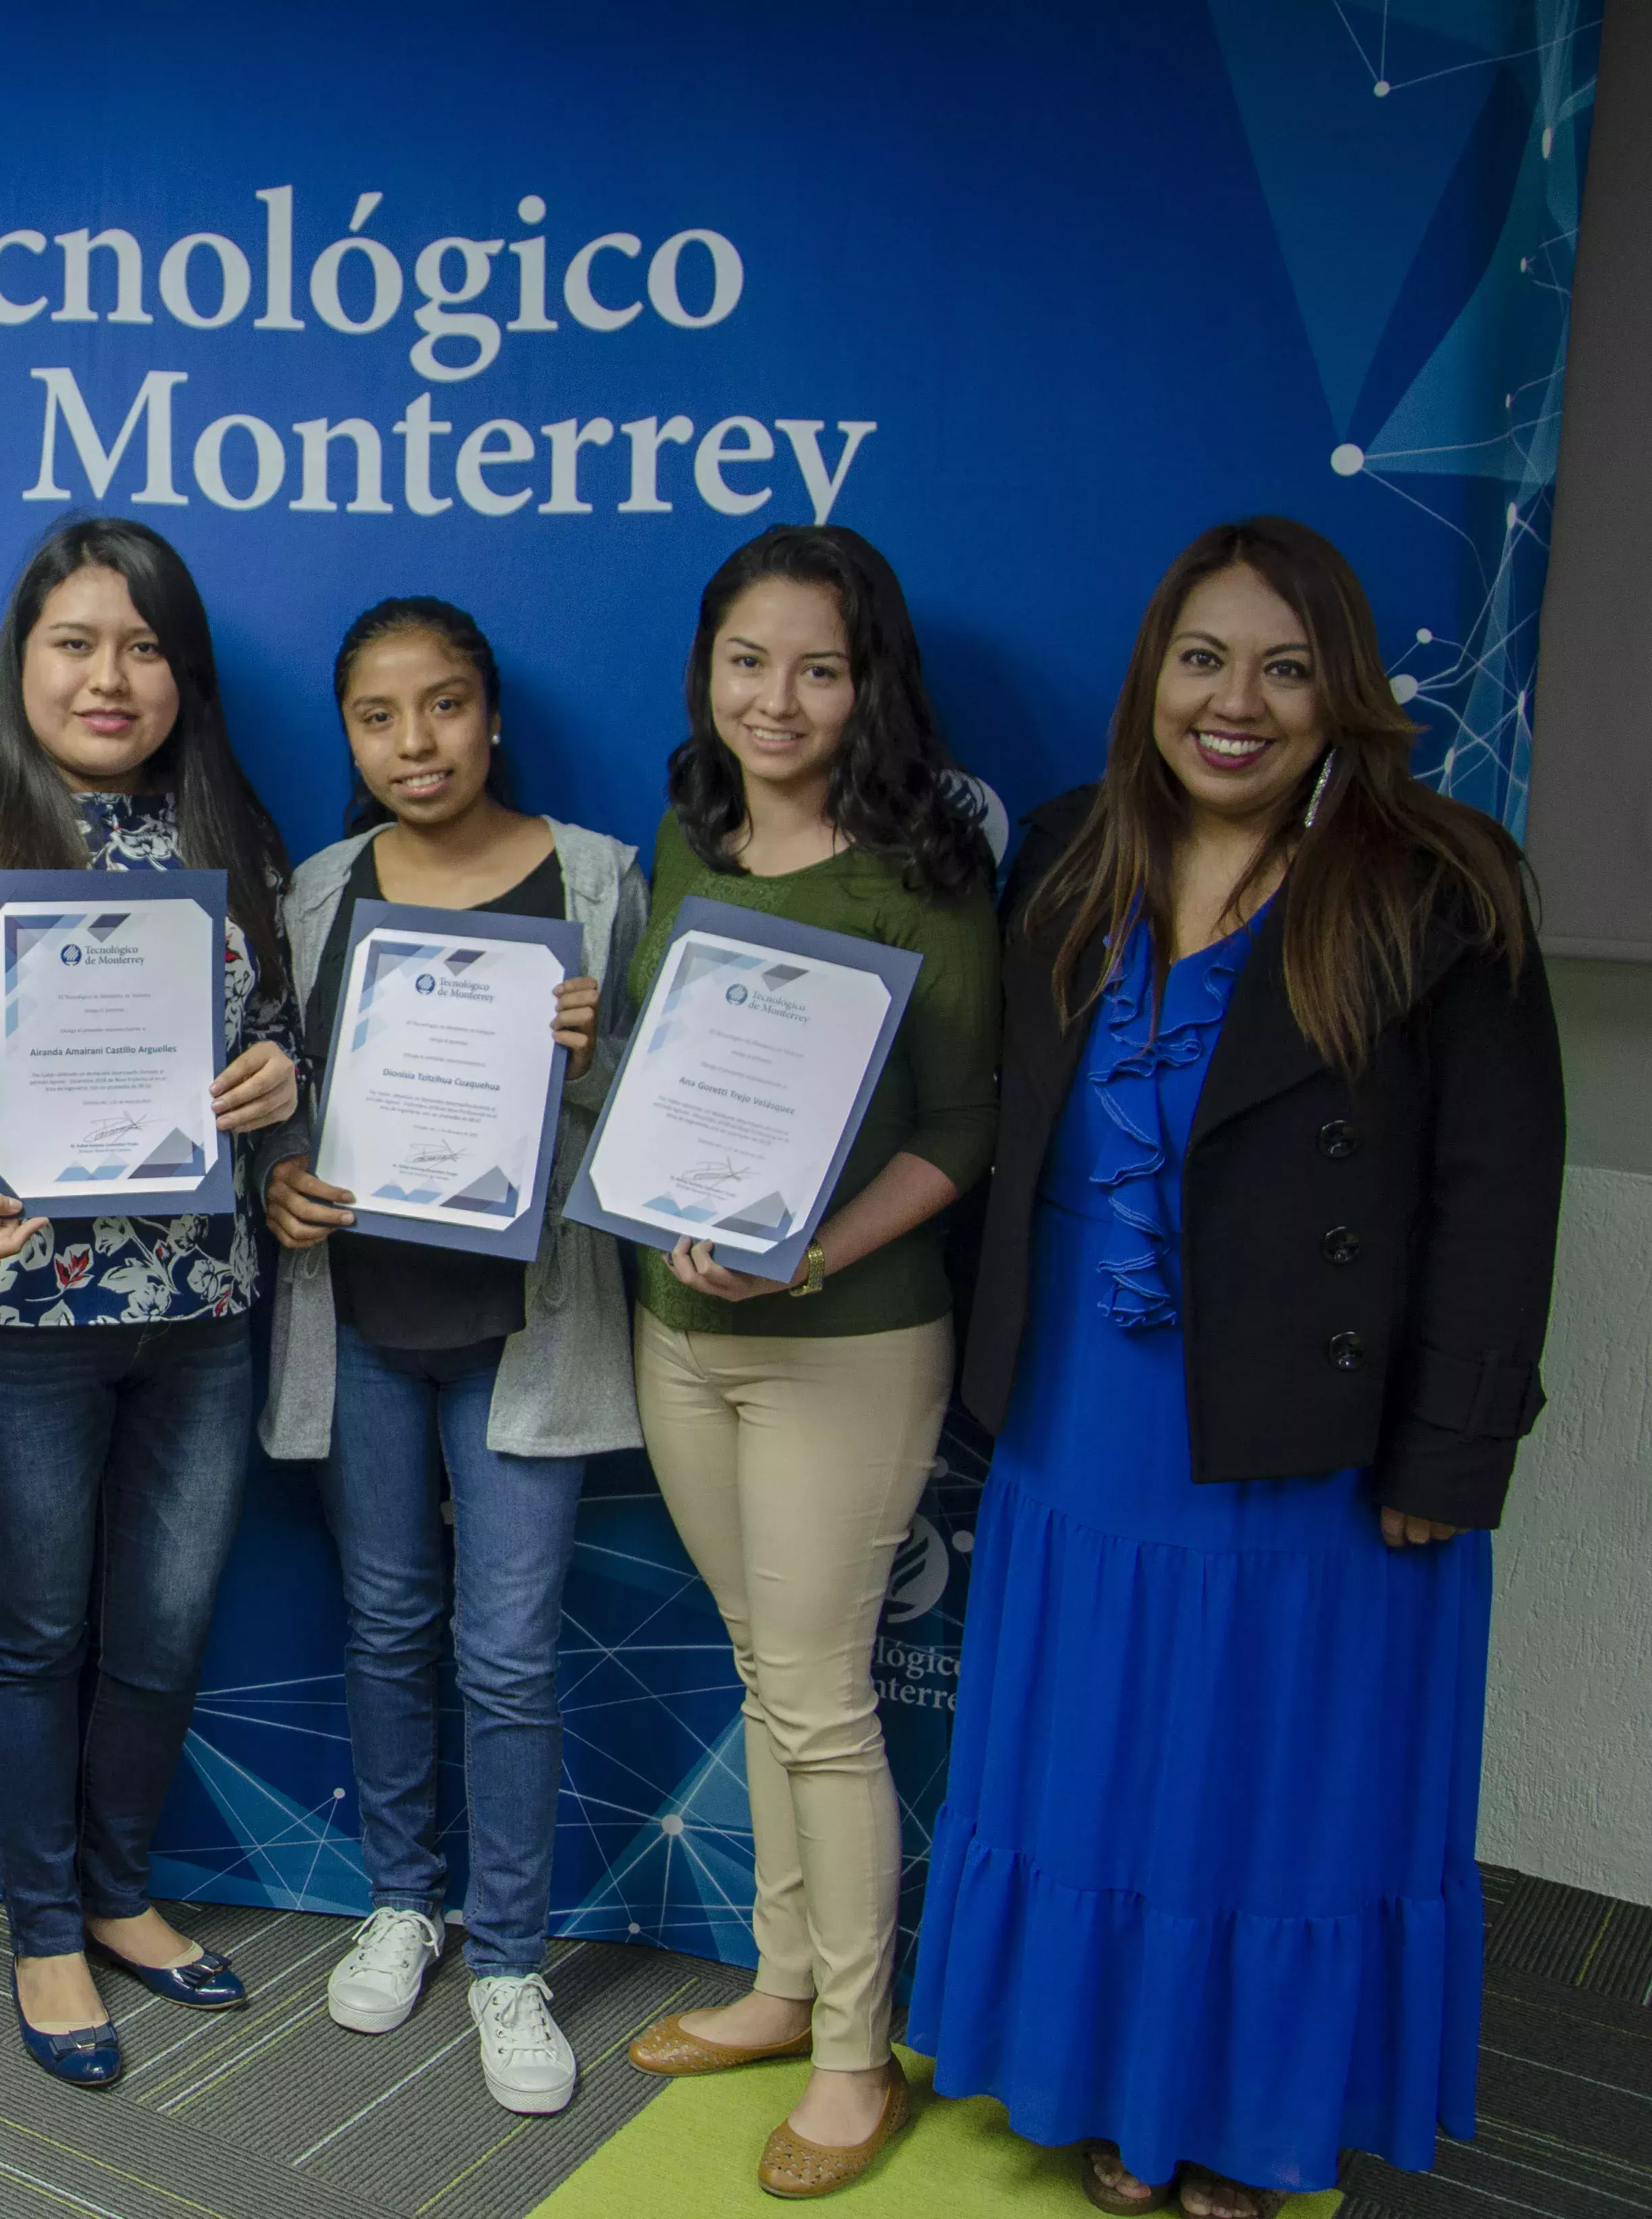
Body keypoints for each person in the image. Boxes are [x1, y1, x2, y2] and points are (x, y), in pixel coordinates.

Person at [906, 519, 1562, 2218]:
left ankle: (1242, 2120)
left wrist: (1448, 1457)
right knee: (1101, 1767)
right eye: (1203, 659)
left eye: (1285, 667)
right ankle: (1108, 2084)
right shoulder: (1061, 851)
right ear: (1153, 676)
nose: (1237, 703)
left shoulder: (1440, 884)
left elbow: (1498, 1199)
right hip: (1081, 1420)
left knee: (1269, 1792)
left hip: (1310, 1440)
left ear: (1341, 690)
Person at [0, 515, 299, 2088]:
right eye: (76, 642)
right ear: (20, 657)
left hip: (200, 1300)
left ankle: (120, 1892)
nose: (109, 677)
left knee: (157, 1632)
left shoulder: (231, 834)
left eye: (145, 647)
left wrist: (277, 1076)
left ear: (184, 677)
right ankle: (40, 1931)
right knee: (35, 1635)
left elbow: (283, 1050)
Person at [614, 524, 999, 2197]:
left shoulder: (925, 865)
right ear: (707, 669)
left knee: (824, 1699)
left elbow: (964, 1128)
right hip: (672, 1331)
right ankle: (778, 1988)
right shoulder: (684, 833)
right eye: (748, 661)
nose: (777, 699)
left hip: (845, 1335)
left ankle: (855, 2055)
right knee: (763, 1664)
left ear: (870, 684)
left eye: (818, 669)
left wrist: (811, 1252)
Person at [255, 598, 645, 2117]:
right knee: (383, 1625)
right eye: (377, 716)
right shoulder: (317, 889)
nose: (414, 744)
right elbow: (275, 1095)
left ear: (492, 717)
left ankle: (508, 1960)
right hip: (357, 1321)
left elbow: (654, 1118)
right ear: (348, 735)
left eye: (445, 707)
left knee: (507, 1654)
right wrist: (276, 1184)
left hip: (523, 1331)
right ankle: (403, 1900)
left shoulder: (600, 878)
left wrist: (595, 1055)